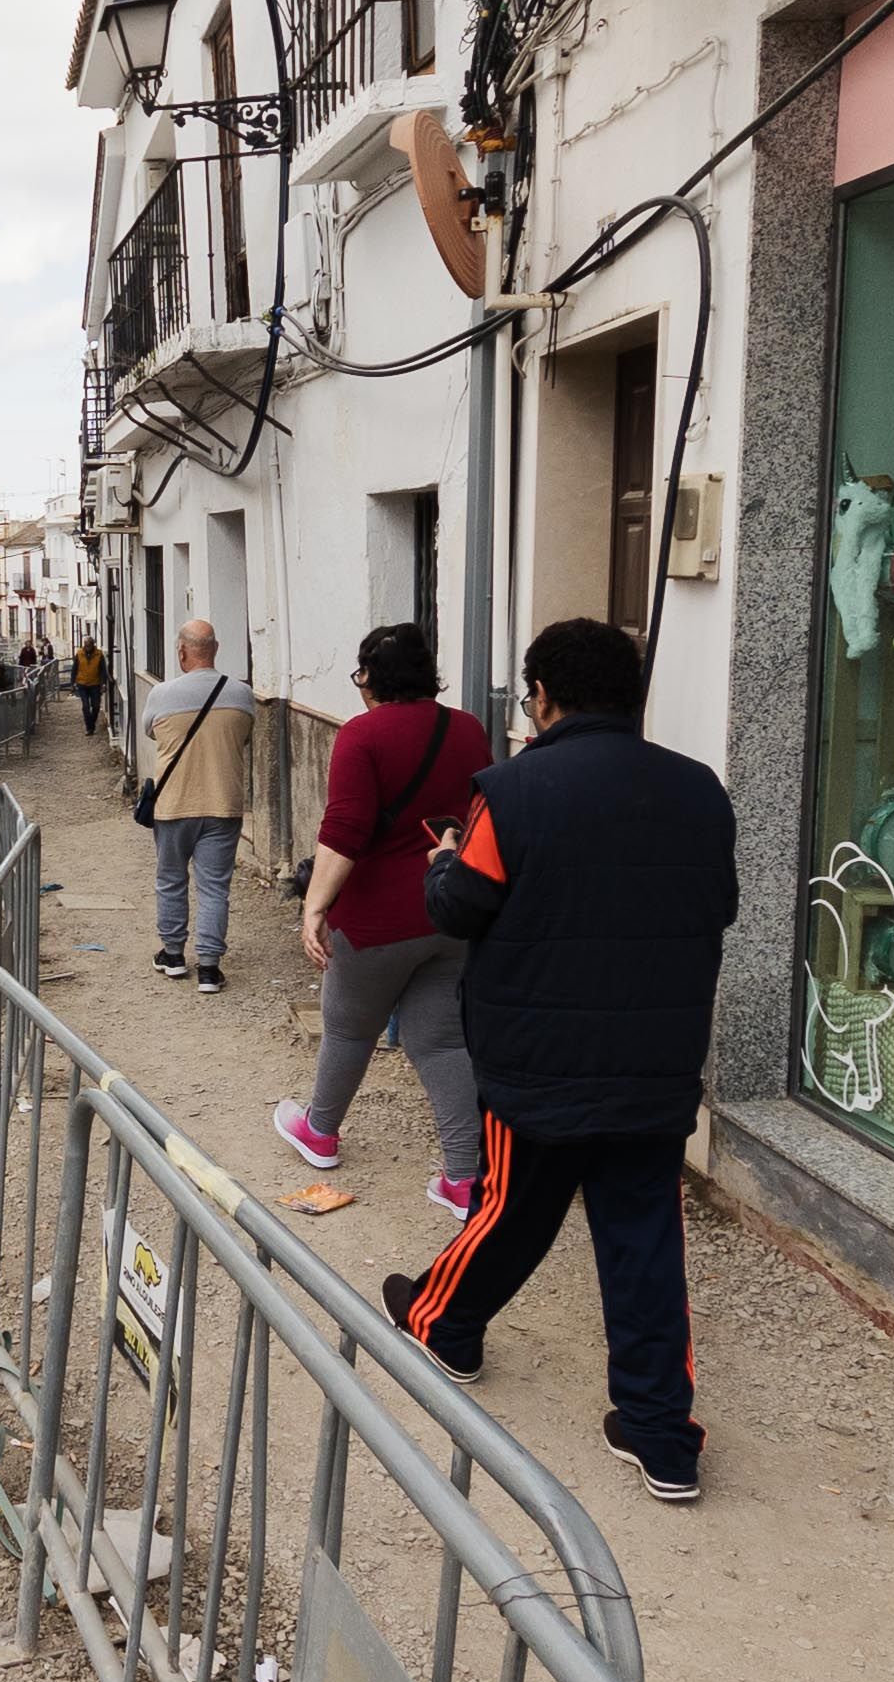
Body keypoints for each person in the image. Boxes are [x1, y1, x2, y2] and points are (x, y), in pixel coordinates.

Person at [383, 619, 737, 1507]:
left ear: (540, 696)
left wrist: (439, 864)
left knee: (514, 1206)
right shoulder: (700, 791)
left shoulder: (512, 792)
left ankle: (445, 1323)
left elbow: (463, 907)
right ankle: (661, 1436)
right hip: (655, 1061)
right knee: (644, 1241)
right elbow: (718, 903)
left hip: (538, 1059)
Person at [272, 624, 492, 1218]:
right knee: (442, 1041)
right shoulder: (468, 727)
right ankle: (464, 1179)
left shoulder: (361, 735)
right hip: (451, 909)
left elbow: (343, 831)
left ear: (369, 677)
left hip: (376, 918)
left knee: (348, 1026)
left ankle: (320, 1132)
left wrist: (314, 907)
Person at [143, 619, 256, 994]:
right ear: (216, 649)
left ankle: (173, 955)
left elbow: (151, 731)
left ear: (181, 652)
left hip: (174, 803)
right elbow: (244, 736)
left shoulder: (161, 694)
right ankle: (209, 967)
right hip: (223, 805)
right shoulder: (241, 695)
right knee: (214, 888)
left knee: (171, 880)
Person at [71, 638, 108, 735]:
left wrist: (103, 683)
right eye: (86, 646)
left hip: (95, 684)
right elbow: (74, 669)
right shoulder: (79, 654)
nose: (88, 648)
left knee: (96, 706)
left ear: (93, 645)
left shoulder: (99, 654)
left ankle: (92, 724)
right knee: (86, 706)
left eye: (89, 646)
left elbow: (103, 670)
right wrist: (73, 683)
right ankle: (89, 728)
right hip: (82, 684)